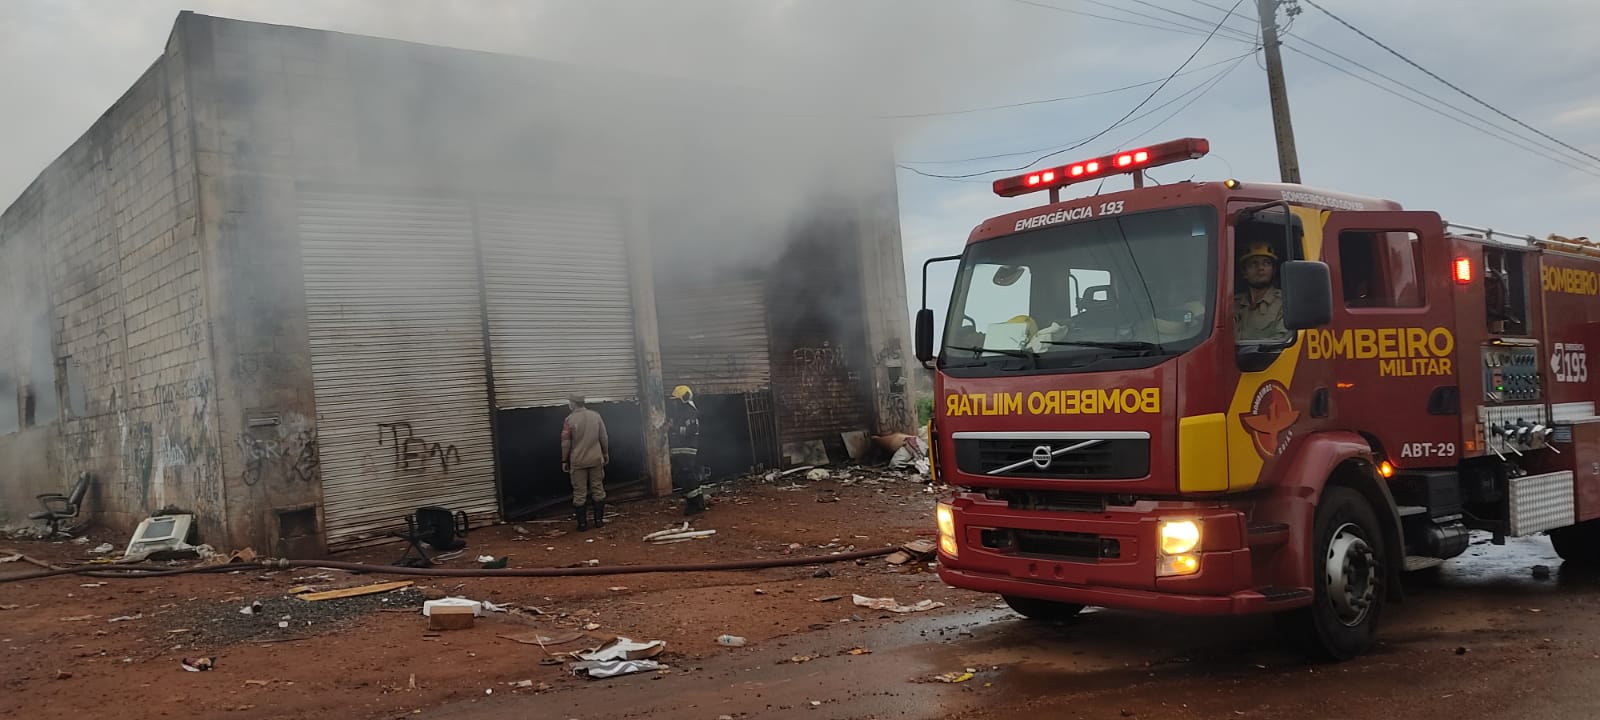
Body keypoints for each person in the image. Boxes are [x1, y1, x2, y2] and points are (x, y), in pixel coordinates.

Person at [561, 393, 609, 531]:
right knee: (598, 489)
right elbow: (604, 437)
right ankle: (599, 521)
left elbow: (565, 443)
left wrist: (564, 460)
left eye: (569, 402)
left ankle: (582, 525)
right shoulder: (596, 416)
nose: (569, 404)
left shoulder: (569, 420)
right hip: (595, 459)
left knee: (579, 492)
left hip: (578, 461)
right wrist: (605, 454)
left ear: (573, 403)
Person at [1233, 242, 1288, 342]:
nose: (1260, 268)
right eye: (1254, 264)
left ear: (1273, 270)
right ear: (1244, 272)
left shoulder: (1285, 303)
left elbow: (1281, 343)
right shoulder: (1232, 304)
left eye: (1266, 263)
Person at [667, 385, 705, 515]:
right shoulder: (682, 412)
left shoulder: (690, 412)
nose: (674, 403)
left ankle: (693, 505)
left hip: (687, 450)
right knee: (688, 476)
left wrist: (673, 428)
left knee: (687, 476)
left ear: (683, 399)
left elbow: (691, 430)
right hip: (681, 450)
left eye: (676, 400)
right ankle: (698, 502)